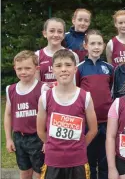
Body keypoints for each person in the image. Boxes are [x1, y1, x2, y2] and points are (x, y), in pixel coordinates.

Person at [37, 49, 98, 179]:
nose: (64, 69)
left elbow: (93, 130)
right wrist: (53, 145)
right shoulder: (45, 98)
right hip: (53, 161)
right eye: (59, 66)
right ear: (53, 69)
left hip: (78, 161)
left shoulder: (85, 97)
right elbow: (40, 131)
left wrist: (79, 146)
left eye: (68, 65)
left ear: (75, 69)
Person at [76, 30, 114, 179]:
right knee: (89, 160)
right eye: (92, 43)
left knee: (105, 160)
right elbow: (77, 94)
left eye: (99, 43)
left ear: (104, 46)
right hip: (88, 123)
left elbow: (111, 91)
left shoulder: (109, 68)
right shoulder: (79, 68)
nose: (96, 47)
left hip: (106, 122)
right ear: (86, 45)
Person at [4, 50, 48, 179]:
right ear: (15, 69)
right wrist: (8, 138)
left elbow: (49, 115)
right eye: (20, 68)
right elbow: (7, 115)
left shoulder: (43, 88)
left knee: (40, 172)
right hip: (19, 138)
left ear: (36, 68)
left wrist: (46, 140)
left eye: (28, 68)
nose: (23, 72)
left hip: (37, 138)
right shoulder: (10, 89)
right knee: (24, 171)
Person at [35, 17, 79, 88]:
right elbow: (36, 86)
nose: (56, 35)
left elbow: (74, 83)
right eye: (52, 31)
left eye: (60, 31)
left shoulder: (73, 55)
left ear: (64, 35)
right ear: (45, 33)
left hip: (66, 97)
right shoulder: (37, 56)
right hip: (45, 98)